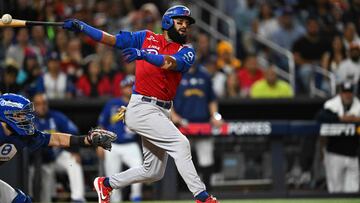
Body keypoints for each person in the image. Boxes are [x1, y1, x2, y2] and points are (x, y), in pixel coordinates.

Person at [63, 5, 219, 203]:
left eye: (186, 24)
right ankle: (202, 197)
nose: (184, 27)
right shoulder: (145, 37)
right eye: (180, 22)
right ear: (167, 22)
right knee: (181, 144)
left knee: (153, 171)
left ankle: (107, 183)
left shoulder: (187, 51)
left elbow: (170, 63)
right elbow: (112, 40)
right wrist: (83, 28)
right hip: (141, 107)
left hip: (162, 110)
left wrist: (145, 55)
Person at [0, 93, 116, 203]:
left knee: (21, 201)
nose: (26, 118)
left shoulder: (23, 135)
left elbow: (55, 139)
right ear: (7, 115)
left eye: (26, 114)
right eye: (21, 115)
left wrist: (86, 140)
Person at [172, 64, 223, 191]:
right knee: (182, 157)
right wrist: (173, 116)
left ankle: (207, 192)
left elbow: (212, 99)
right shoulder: (175, 74)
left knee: (206, 157)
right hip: (182, 124)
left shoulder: (204, 75)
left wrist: (215, 116)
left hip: (203, 123)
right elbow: (167, 98)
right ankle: (182, 192)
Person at [31, 93, 85, 202]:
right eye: (38, 104)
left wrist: (75, 151)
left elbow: (73, 131)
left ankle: (78, 198)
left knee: (73, 161)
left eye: (44, 103)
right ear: (33, 106)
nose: (42, 106)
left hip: (56, 156)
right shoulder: (29, 120)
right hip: (37, 162)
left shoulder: (55, 116)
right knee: (43, 193)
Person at [97, 75, 143, 202]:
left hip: (130, 144)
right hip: (112, 144)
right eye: (127, 86)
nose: (129, 89)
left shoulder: (140, 104)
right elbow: (102, 125)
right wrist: (100, 144)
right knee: (112, 176)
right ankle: (115, 201)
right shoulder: (112, 103)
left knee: (139, 168)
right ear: (122, 88)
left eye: (132, 86)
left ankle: (136, 197)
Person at [317, 82, 360, 193]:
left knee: (353, 191)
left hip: (353, 155)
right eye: (345, 92)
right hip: (334, 154)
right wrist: (341, 119)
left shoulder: (358, 105)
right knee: (335, 190)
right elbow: (320, 117)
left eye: (349, 92)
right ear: (340, 93)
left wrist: (356, 120)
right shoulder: (331, 105)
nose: (348, 95)